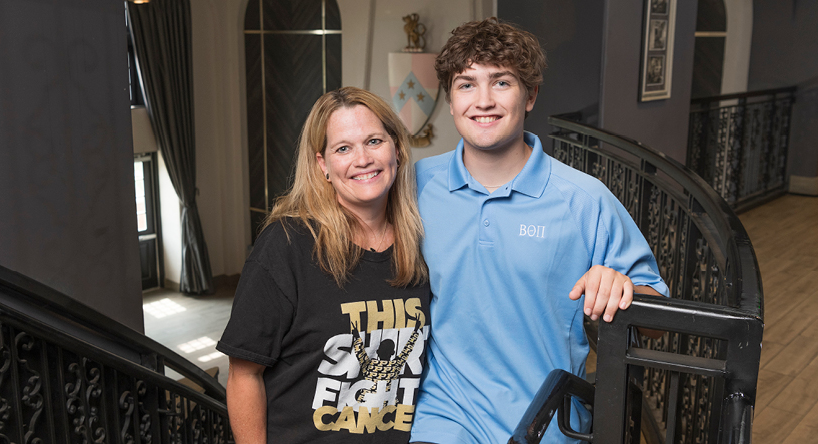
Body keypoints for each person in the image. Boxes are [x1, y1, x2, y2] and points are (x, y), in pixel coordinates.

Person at [409, 18, 669, 444]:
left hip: (549, 420)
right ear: (451, 101)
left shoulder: (584, 199)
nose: (484, 101)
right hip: (443, 414)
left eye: (502, 83)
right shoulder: (416, 185)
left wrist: (622, 287)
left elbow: (658, 321)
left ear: (530, 96)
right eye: (467, 85)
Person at [217, 87, 430, 444]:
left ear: (397, 150)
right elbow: (243, 376)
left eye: (374, 141)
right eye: (343, 148)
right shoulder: (287, 244)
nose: (362, 159)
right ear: (323, 165)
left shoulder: (423, 241)